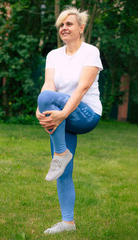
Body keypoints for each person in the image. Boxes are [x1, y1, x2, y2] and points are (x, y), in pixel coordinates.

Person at [36, 6, 103, 235]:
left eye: (69, 24)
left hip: (86, 114)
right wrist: (40, 110)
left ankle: (60, 153)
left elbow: (83, 87)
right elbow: (49, 87)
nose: (64, 28)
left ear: (81, 28)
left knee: (46, 98)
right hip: (63, 116)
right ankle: (68, 223)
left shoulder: (90, 51)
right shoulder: (53, 55)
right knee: (63, 172)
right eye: (61, 25)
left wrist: (62, 113)